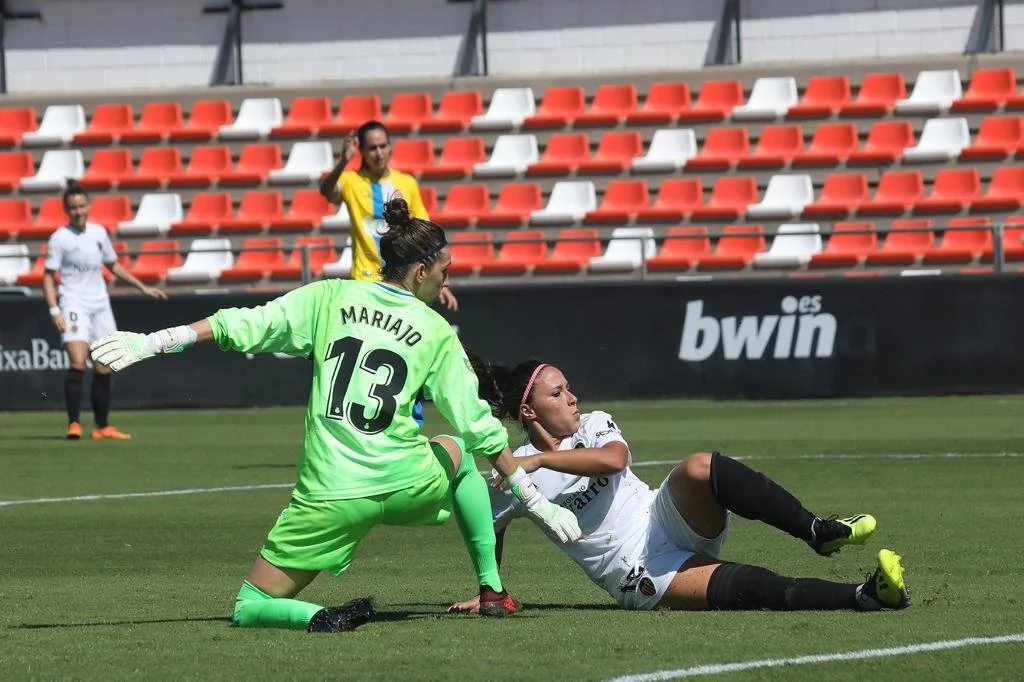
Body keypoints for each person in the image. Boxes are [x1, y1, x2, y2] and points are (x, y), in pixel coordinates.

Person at [89, 198, 581, 633]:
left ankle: (319, 617)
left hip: (329, 496)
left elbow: (239, 325)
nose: (448, 278)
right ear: (418, 271)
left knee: (251, 604)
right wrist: (535, 501)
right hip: (404, 481)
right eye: (445, 270)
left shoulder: (329, 297)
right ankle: (492, 589)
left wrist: (153, 341)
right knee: (456, 450)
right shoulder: (435, 331)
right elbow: (478, 427)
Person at [448, 355, 910, 614]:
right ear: (529, 412)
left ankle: (817, 532)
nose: (573, 398)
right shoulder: (513, 470)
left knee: (697, 466)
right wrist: (491, 587)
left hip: (662, 515)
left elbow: (615, 460)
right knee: (752, 589)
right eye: (557, 393)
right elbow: (490, 525)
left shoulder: (590, 426)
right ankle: (865, 595)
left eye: (569, 387)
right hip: (639, 569)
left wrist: (542, 459)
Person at [42, 180, 168, 440]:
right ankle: (74, 424)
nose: (78, 211)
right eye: (73, 208)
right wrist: (55, 310)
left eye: (82, 206)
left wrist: (143, 287)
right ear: (67, 210)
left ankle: (102, 427)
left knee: (104, 363)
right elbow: (47, 276)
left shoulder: (99, 233)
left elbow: (113, 266)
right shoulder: (59, 238)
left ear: (88, 206)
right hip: (73, 303)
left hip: (100, 304)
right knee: (77, 360)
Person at [318, 120, 458, 312]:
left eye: (383, 146)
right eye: (372, 148)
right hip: (365, 280)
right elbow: (327, 191)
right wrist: (343, 160)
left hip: (401, 283)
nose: (379, 153)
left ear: (390, 146)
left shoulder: (406, 182)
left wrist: (438, 277)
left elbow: (425, 233)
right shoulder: (351, 180)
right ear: (362, 151)